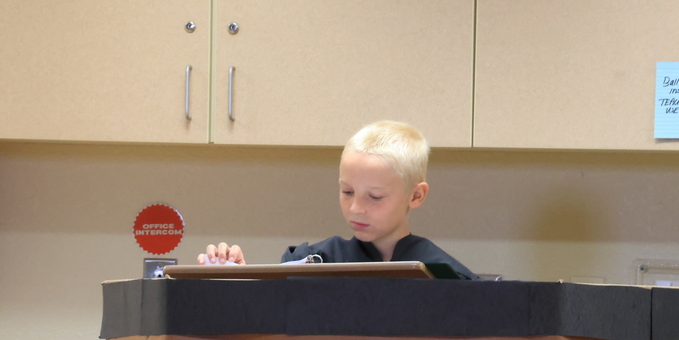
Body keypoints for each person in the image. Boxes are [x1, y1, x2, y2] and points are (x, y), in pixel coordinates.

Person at [199, 120, 478, 280]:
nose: (356, 207)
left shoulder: (448, 278)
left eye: (375, 196)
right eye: (347, 192)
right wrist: (236, 281)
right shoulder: (311, 264)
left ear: (416, 195)